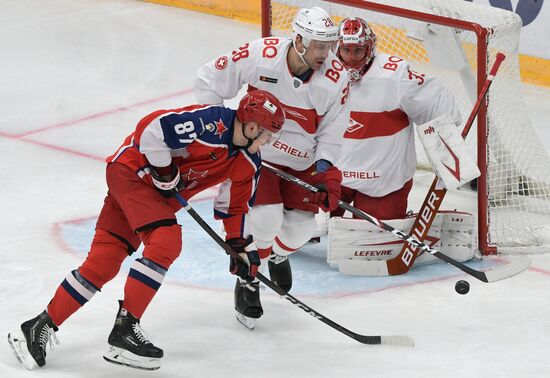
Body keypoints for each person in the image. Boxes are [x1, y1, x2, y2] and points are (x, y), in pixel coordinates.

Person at [7, 90, 285, 371]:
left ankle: (36, 328)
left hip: (147, 196)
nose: (268, 142)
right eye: (267, 135)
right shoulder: (210, 122)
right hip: (131, 173)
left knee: (103, 263)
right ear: (251, 127)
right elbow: (150, 130)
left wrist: (237, 244)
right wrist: (164, 171)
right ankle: (125, 330)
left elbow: (235, 207)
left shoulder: (248, 163)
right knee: (166, 241)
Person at [194, 6, 350, 328]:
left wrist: (324, 167)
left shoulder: (336, 79)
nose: (326, 53)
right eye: (319, 45)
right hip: (259, 153)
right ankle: (249, 280)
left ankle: (278, 254)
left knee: (302, 229)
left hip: (303, 160)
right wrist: (223, 132)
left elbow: (334, 128)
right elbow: (209, 78)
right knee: (265, 220)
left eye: (329, 45)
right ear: (299, 40)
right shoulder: (261, 55)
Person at [326, 17, 475, 273]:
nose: (351, 58)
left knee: (372, 246)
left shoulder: (394, 75)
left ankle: (417, 227)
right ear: (336, 49)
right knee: (293, 222)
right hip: (334, 177)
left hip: (384, 182)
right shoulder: (324, 72)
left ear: (369, 48)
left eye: (358, 50)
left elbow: (436, 99)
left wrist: (445, 144)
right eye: (346, 50)